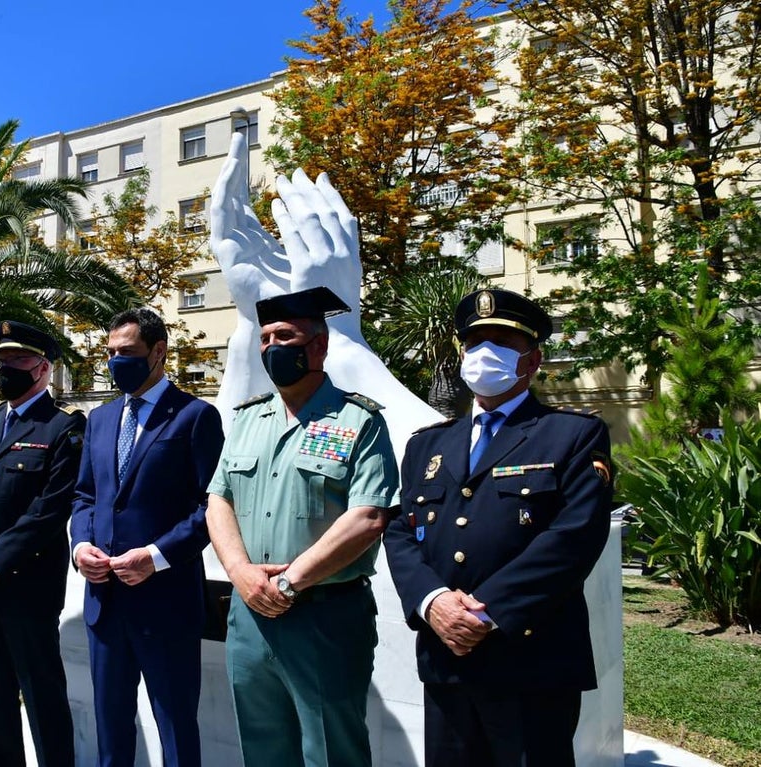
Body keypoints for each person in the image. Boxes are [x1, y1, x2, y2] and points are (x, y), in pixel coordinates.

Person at [383, 288, 614, 767]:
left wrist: (485, 614)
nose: (484, 353)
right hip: (446, 654)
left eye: (502, 342)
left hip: (530, 658)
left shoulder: (571, 434)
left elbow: (574, 537)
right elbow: (401, 531)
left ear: (533, 359)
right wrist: (434, 603)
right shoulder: (429, 444)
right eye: (474, 342)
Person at [205, 287, 400, 767]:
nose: (273, 347)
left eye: (285, 336)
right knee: (262, 747)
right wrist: (241, 573)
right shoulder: (247, 419)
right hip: (250, 615)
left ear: (318, 345)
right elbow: (218, 499)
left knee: (331, 752)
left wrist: (289, 583)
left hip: (325, 617)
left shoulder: (360, 420)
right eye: (266, 338)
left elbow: (369, 515)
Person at [70, 308, 224, 767]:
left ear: (158, 352)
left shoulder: (196, 416)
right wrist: (81, 546)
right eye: (111, 353)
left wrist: (156, 556)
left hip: (166, 604)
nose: (117, 361)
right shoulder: (99, 418)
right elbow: (85, 495)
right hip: (104, 601)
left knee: (175, 724)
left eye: (128, 353)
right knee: (111, 726)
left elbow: (212, 507)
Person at [0, 321, 85, 767]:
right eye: (3, 360)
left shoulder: (61, 428)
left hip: (28, 585)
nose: (7, 369)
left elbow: (49, 510)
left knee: (41, 693)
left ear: (43, 368)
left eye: (19, 360)